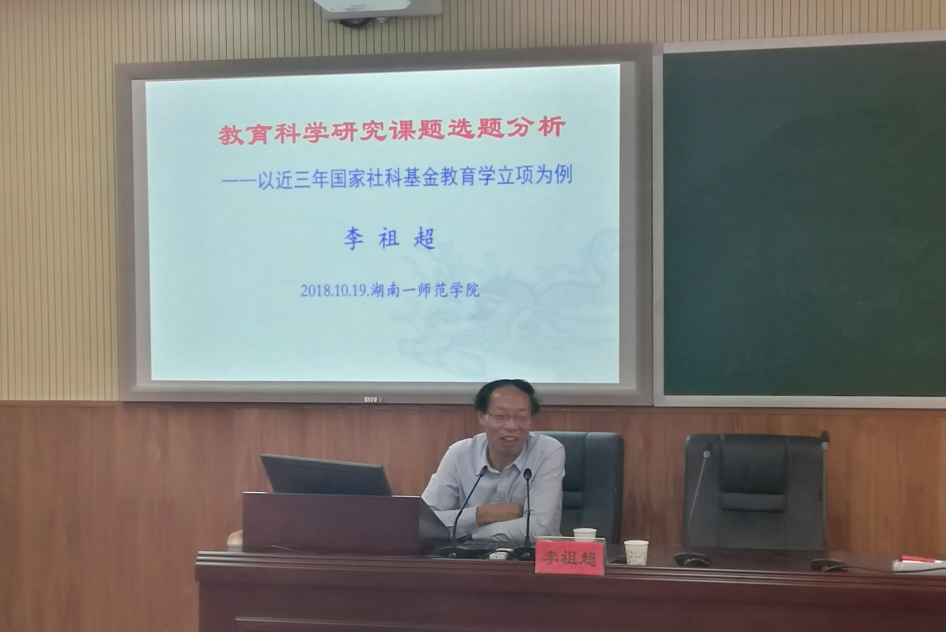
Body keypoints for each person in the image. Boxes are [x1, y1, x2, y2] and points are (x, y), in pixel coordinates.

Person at [421, 379, 565, 544]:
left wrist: (470, 535)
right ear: (482, 416)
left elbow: (536, 529)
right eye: (500, 416)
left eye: (522, 417)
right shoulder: (460, 454)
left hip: (533, 556)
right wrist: (482, 514)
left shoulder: (547, 451)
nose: (512, 426)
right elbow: (423, 521)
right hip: (469, 556)